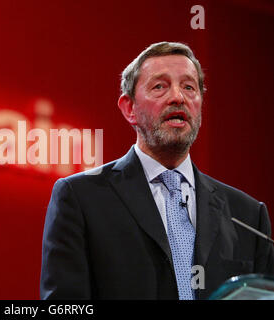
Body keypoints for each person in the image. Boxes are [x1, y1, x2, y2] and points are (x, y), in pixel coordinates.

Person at [40, 41, 274, 300]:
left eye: (189, 87)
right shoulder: (81, 197)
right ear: (129, 108)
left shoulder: (248, 216)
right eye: (159, 86)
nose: (178, 97)